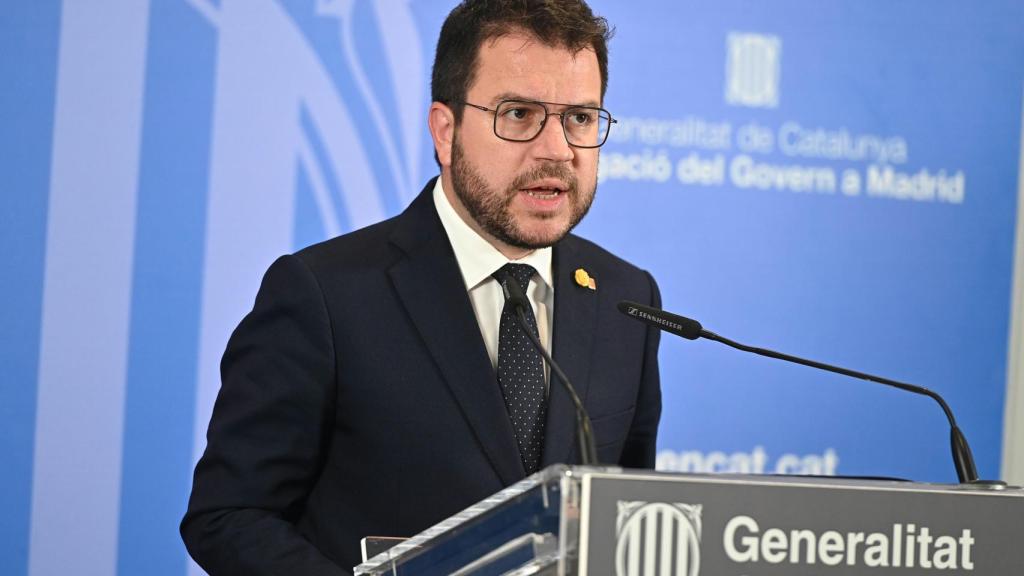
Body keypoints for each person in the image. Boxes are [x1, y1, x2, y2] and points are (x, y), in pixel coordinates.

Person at [181, 1, 662, 574]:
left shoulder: (624, 298)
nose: (556, 149)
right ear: (445, 129)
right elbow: (229, 515)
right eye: (518, 114)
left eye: (580, 118)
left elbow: (627, 519)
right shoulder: (325, 295)